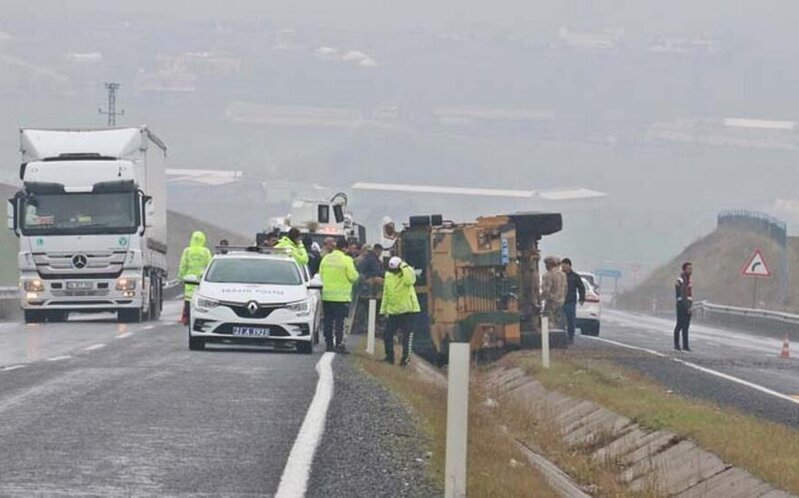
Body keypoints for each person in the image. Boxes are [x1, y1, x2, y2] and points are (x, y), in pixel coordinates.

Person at [319, 237, 359, 353]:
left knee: (328, 321)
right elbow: (353, 276)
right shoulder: (347, 260)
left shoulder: (326, 258)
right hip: (341, 298)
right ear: (345, 248)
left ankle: (329, 344)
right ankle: (339, 344)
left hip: (327, 296)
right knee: (339, 322)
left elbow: (320, 275)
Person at [380, 256, 420, 366]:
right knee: (387, 334)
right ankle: (389, 358)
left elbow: (410, 281)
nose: (393, 272)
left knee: (407, 336)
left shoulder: (407, 273)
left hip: (408, 311)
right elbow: (386, 293)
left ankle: (405, 360)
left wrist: (403, 266)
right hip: (393, 311)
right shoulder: (388, 275)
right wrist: (383, 310)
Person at [178, 231, 213, 326]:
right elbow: (209, 265)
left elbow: (183, 265)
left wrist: (181, 276)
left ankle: (186, 318)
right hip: (201, 279)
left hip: (189, 278)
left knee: (188, 299)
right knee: (201, 299)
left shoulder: (187, 251)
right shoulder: (205, 251)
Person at [560, 258, 585, 343]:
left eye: (564, 266)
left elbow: (581, 288)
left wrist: (582, 298)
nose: (563, 268)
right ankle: (561, 337)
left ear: (569, 266)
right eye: (562, 266)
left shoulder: (575, 276)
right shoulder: (559, 276)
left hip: (570, 301)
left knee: (571, 320)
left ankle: (571, 337)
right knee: (560, 320)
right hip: (560, 301)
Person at [541, 256, 566, 327]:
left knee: (548, 323)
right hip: (561, 302)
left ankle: (549, 337)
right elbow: (565, 288)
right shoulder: (563, 275)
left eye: (546, 264)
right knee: (558, 322)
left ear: (549, 264)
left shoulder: (548, 274)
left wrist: (540, 299)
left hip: (551, 302)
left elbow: (546, 290)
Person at [674, 262, 693, 352]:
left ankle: (685, 346)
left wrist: (690, 305)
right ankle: (677, 345)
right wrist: (687, 307)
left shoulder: (687, 279)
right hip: (682, 305)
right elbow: (683, 294)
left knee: (686, 326)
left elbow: (688, 295)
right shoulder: (682, 279)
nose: (691, 270)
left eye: (691, 269)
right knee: (680, 325)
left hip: (686, 304)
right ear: (684, 269)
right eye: (689, 268)